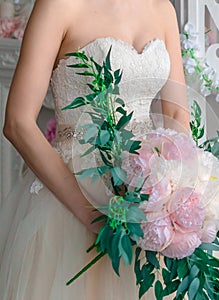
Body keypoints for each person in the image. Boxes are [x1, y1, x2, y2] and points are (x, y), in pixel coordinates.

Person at [0, 0, 190, 299]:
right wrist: (89, 213)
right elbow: (17, 122)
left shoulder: (162, 8)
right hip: (72, 198)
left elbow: (179, 115)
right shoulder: (57, 6)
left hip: (146, 201)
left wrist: (172, 193)